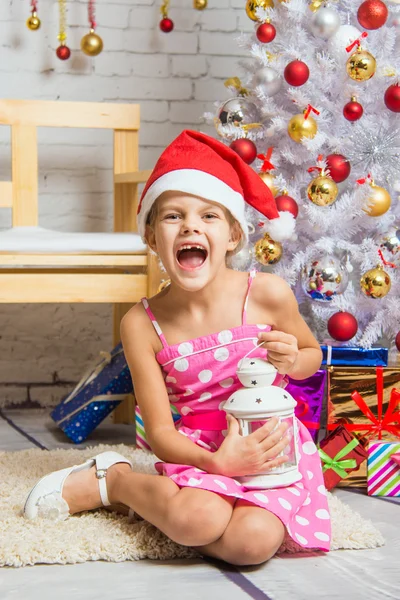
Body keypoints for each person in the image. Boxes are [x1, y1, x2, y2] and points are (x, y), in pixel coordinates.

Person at [24, 130, 331, 566]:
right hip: (199, 450)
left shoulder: (267, 294)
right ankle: (115, 481)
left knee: (251, 545)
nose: (190, 225)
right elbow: (163, 436)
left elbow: (310, 359)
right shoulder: (142, 324)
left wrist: (293, 358)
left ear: (232, 237)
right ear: (152, 239)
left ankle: (156, 504)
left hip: (269, 449)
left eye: (209, 216)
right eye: (173, 217)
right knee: (197, 521)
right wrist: (218, 463)